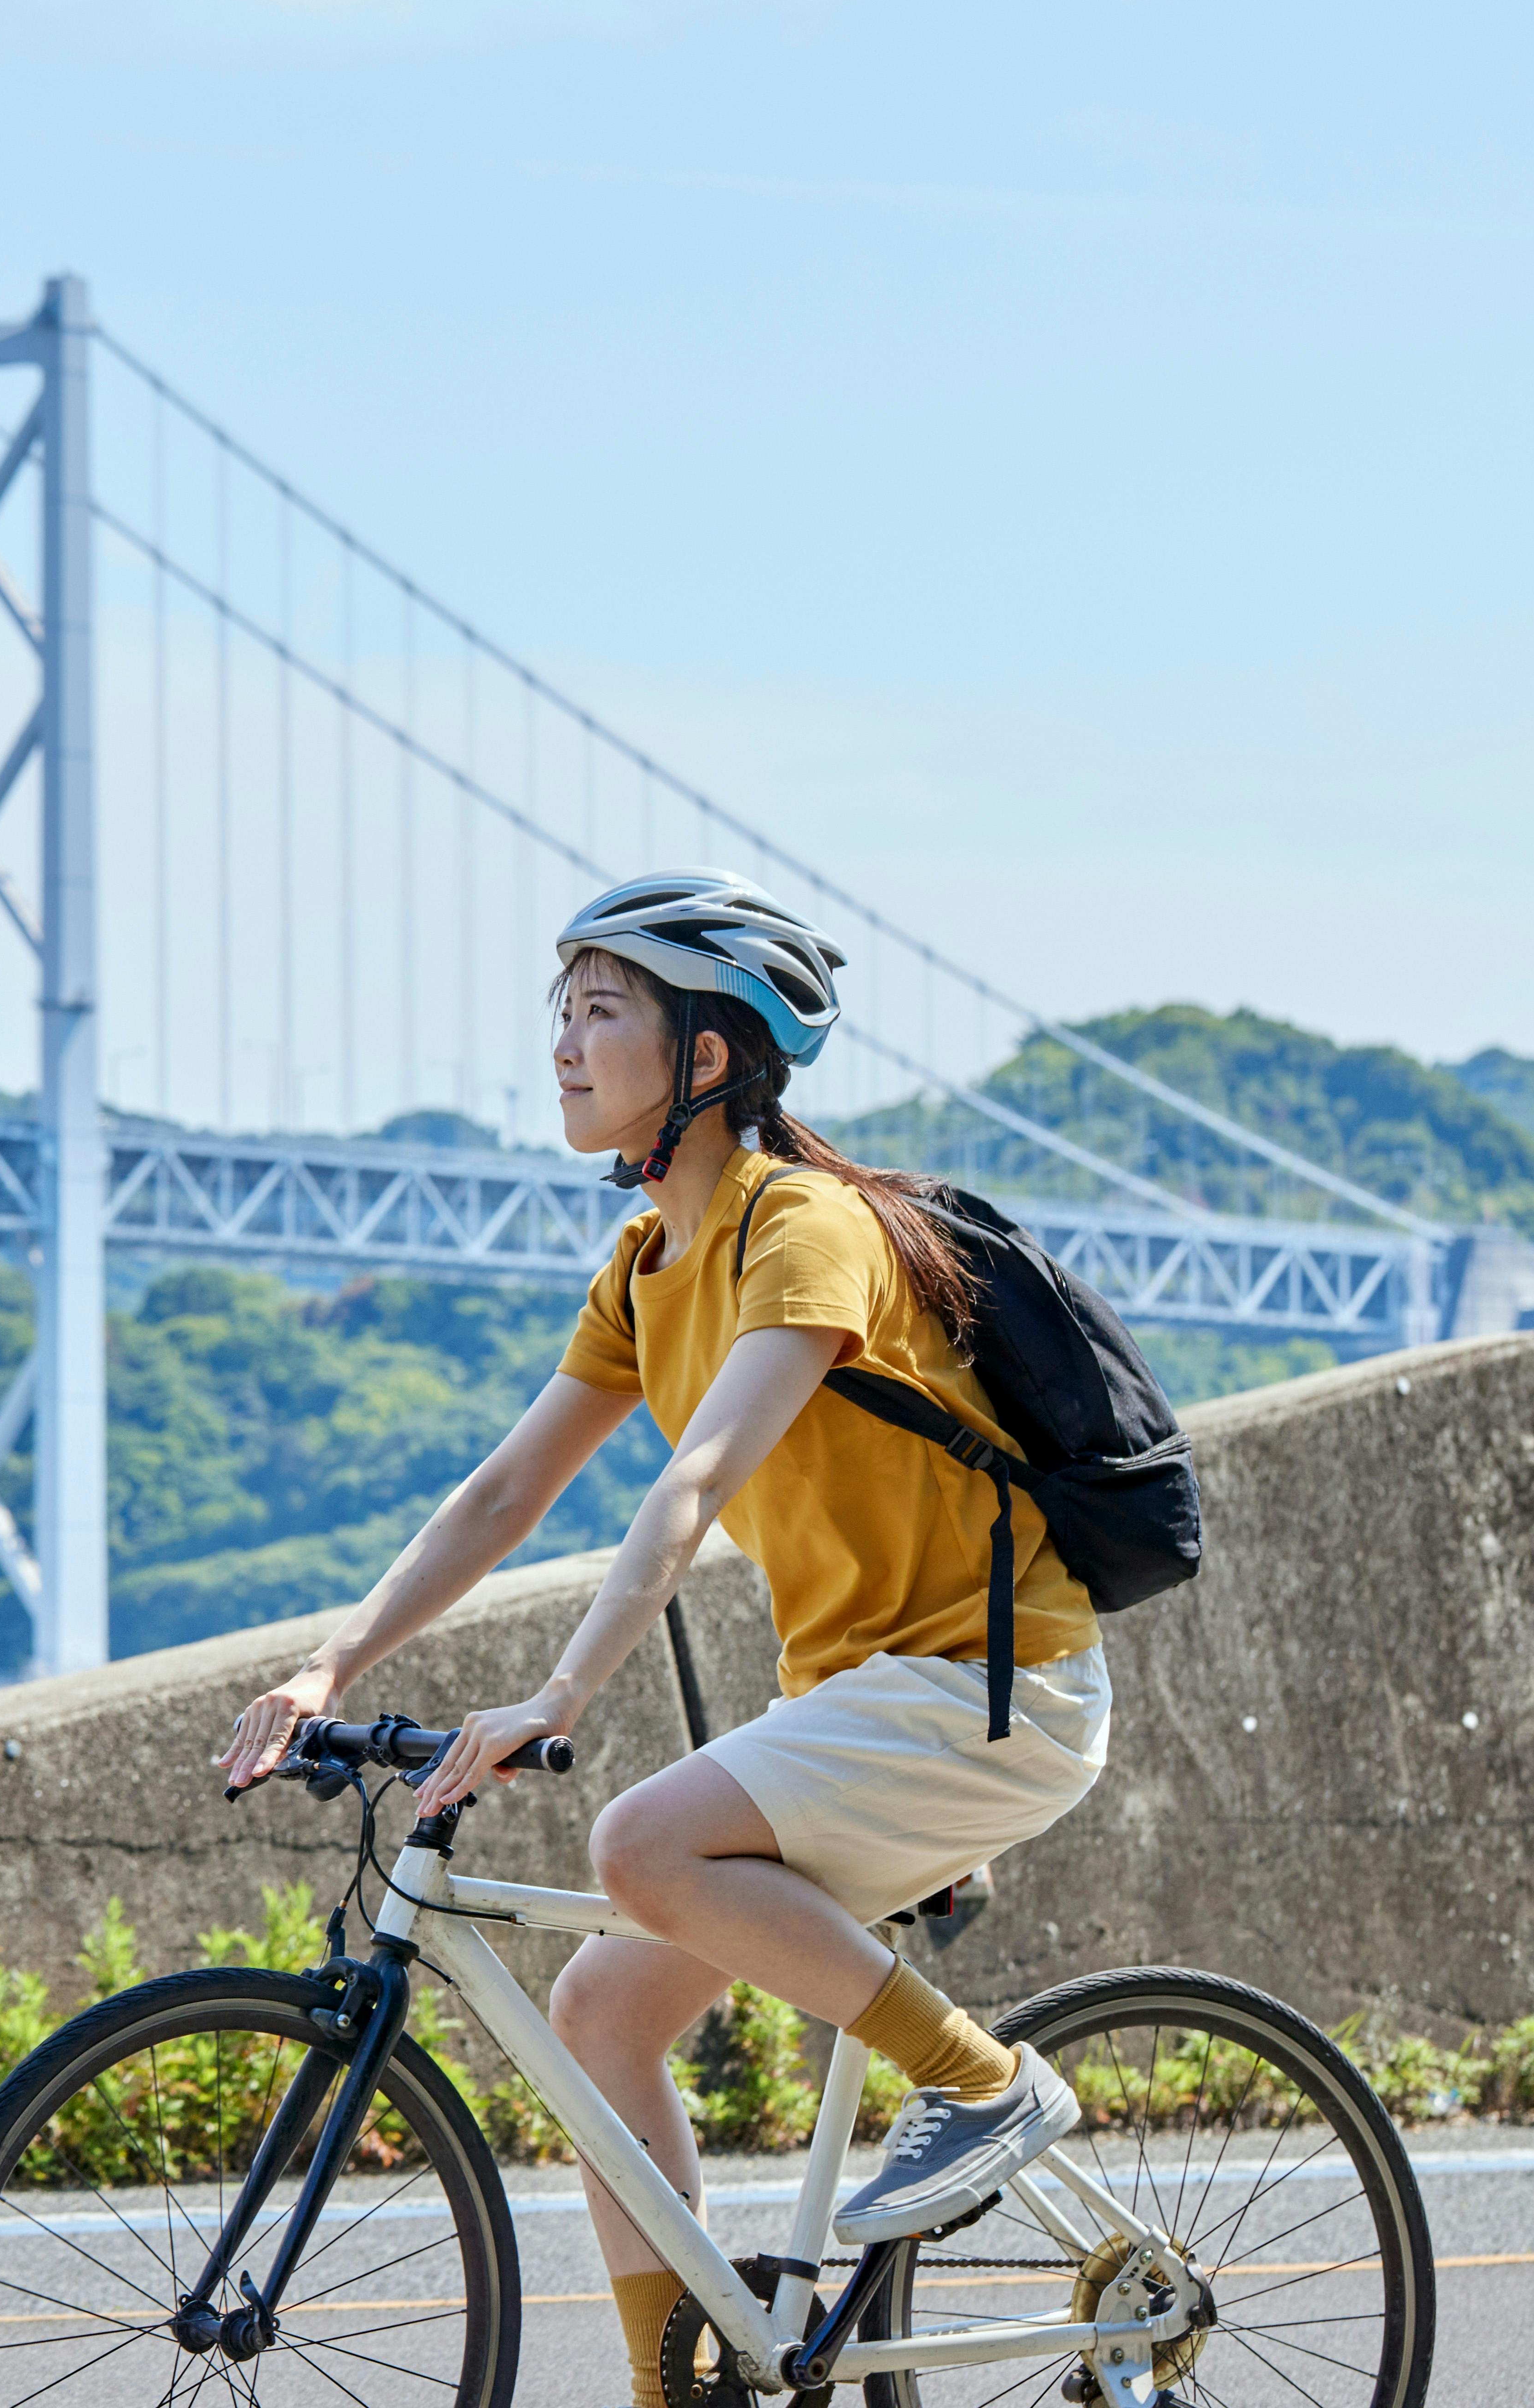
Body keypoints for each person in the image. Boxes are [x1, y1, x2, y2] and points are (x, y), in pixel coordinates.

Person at [215, 869, 1111, 2408]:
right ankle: (679, 2390)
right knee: (598, 2013)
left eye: (602, 1010)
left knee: (638, 1843)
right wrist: (329, 1666)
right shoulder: (644, 1266)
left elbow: (700, 1477)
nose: (563, 1044)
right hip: (863, 1710)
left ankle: (983, 2082)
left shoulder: (805, 1226)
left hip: (989, 1689)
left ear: (706, 1055)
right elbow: (504, 1493)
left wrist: (563, 1688)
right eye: (558, 1011)